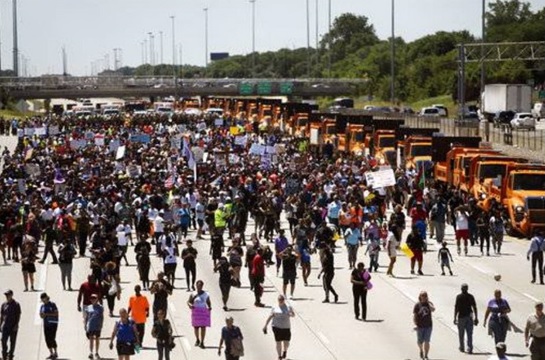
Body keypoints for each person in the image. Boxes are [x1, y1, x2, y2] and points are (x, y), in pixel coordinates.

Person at [263, 295, 295, 360]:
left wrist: (290, 314)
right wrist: (265, 325)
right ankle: (279, 356)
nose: (281, 301)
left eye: (282, 300)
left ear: (284, 300)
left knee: (286, 342)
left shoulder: (288, 307)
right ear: (278, 300)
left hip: (286, 327)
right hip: (276, 327)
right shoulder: (274, 307)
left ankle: (285, 351)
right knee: (278, 342)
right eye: (279, 300)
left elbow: (293, 315)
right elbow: (270, 316)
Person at [454, 284, 478, 354]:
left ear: (461, 289)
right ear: (467, 289)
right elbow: (474, 307)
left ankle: (462, 347)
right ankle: (470, 348)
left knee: (461, 333)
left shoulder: (459, 297)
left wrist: (455, 317)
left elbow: (456, 308)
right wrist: (476, 317)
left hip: (461, 317)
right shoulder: (471, 296)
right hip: (469, 317)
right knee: (469, 333)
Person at [187, 280, 211, 348]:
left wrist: (209, 307)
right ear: (196, 286)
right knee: (196, 327)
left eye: (200, 286)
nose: (199, 287)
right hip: (196, 311)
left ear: (202, 286)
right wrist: (190, 305)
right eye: (198, 285)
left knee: (203, 327)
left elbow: (208, 302)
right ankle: (197, 339)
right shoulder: (193, 294)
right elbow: (189, 302)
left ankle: (202, 342)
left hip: (203, 312)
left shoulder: (206, 294)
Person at [413, 291, 435, 360]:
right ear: (420, 297)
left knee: (427, 341)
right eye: (423, 296)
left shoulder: (429, 304)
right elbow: (415, 315)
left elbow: (433, 309)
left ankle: (426, 355)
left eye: (425, 296)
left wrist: (428, 303)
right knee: (420, 341)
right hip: (420, 326)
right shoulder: (417, 305)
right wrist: (415, 324)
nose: (424, 297)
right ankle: (421, 350)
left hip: (428, 326)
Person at [1, 290, 21, 360]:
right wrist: (0, 325)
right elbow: (2, 315)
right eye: (6, 295)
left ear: (11, 295)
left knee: (12, 342)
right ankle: (4, 354)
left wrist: (16, 325)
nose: (7, 296)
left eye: (8, 295)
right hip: (5, 326)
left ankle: (11, 355)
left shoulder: (16, 304)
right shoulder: (4, 304)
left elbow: (18, 315)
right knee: (3, 341)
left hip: (13, 327)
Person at [84, 293, 104, 360]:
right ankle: (91, 352)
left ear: (97, 299)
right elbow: (86, 317)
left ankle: (97, 352)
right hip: (91, 325)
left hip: (97, 325)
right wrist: (85, 325)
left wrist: (101, 324)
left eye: (94, 298)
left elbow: (101, 316)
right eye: (91, 298)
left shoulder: (100, 307)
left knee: (97, 339)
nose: (92, 300)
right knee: (91, 339)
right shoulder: (89, 307)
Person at [40, 293, 59, 360]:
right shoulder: (42, 306)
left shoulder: (52, 304)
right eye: (42, 299)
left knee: (52, 338)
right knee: (47, 339)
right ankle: (51, 353)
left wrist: (47, 314)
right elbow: (41, 316)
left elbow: (56, 313)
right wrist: (42, 315)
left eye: (43, 298)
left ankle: (55, 352)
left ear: (46, 298)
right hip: (46, 324)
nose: (43, 300)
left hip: (53, 324)